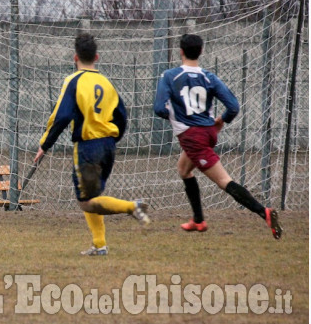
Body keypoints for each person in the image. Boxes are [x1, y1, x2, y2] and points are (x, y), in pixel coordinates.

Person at [153, 34, 282, 239]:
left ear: (181, 51)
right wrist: (221, 121)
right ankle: (198, 220)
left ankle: (263, 212)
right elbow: (233, 106)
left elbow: (159, 108)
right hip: (209, 132)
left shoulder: (170, 76)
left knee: (224, 181)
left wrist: (177, 115)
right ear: (201, 51)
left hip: (192, 137)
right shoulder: (209, 77)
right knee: (183, 169)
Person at [34, 33, 150, 256]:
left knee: (87, 202)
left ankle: (132, 207)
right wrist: (112, 140)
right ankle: (99, 245)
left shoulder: (74, 81)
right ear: (96, 57)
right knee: (93, 197)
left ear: (74, 57)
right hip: (108, 146)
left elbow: (61, 116)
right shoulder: (107, 83)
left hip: (88, 147)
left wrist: (45, 144)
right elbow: (122, 116)